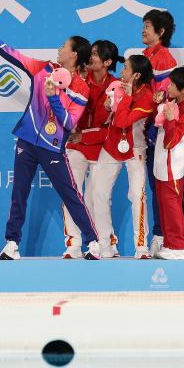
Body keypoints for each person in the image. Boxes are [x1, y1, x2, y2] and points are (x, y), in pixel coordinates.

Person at [0, 18, 103, 260]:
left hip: (52, 148)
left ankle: (92, 242)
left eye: (64, 46)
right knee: (19, 194)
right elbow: (13, 55)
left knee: (70, 195)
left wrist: (54, 97)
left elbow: (69, 122)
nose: (59, 49)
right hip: (27, 141)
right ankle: (11, 243)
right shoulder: (44, 68)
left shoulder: (81, 88)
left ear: (74, 54)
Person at [87, 55, 156, 259]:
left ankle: (141, 247)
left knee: (137, 196)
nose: (121, 72)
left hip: (135, 151)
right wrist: (109, 106)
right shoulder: (117, 86)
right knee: (99, 193)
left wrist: (124, 98)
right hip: (111, 146)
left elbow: (122, 121)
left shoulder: (147, 97)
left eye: (125, 68)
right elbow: (107, 118)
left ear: (136, 75)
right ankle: (105, 243)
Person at [62, 40, 122, 259]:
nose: (90, 56)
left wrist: (84, 135)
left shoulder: (116, 87)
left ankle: (105, 242)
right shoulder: (77, 80)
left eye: (95, 54)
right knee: (71, 194)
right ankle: (74, 243)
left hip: (103, 148)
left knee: (98, 197)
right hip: (75, 145)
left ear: (107, 62)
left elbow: (113, 127)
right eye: (90, 52)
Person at [140, 10, 183, 257]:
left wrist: (152, 126)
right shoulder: (145, 55)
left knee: (162, 188)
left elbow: (165, 99)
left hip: (157, 132)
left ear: (161, 31)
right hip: (143, 132)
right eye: (143, 25)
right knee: (153, 187)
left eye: (148, 26)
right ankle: (159, 236)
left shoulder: (164, 58)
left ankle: (167, 237)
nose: (143, 30)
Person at [152, 67, 184, 260]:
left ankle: (178, 246)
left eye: (172, 85)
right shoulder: (171, 103)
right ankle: (169, 244)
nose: (168, 87)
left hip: (172, 167)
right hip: (161, 165)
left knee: (172, 206)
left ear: (183, 90)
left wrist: (170, 120)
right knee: (163, 205)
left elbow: (170, 141)